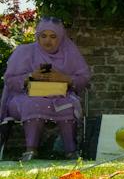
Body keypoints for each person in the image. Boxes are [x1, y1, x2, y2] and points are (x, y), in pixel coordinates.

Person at [3, 17, 91, 160]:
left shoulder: (70, 53)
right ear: (37, 36)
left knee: (68, 105)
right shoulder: (24, 52)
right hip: (25, 97)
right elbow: (9, 80)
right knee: (34, 104)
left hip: (59, 96)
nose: (47, 41)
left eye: (53, 36)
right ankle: (31, 150)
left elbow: (84, 78)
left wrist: (64, 78)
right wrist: (31, 76)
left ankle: (71, 151)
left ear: (61, 38)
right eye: (43, 36)